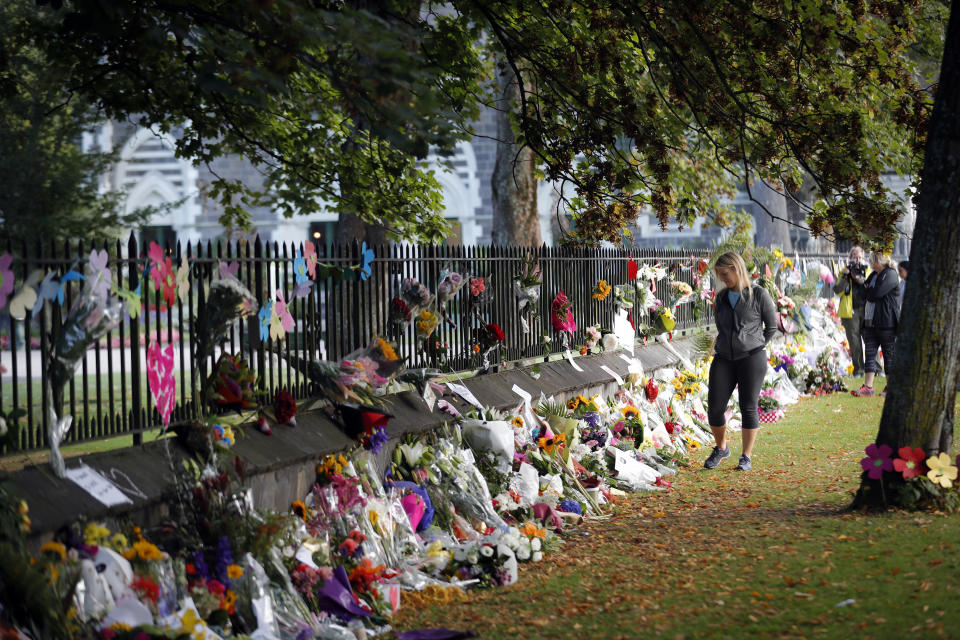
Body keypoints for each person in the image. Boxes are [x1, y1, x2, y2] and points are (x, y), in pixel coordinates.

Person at [703, 252, 779, 472]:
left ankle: (746, 456)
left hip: (752, 358)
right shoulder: (722, 297)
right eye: (719, 275)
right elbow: (721, 326)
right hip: (724, 358)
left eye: (725, 274)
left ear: (737, 269)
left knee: (748, 407)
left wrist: (754, 345)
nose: (723, 279)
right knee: (715, 408)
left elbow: (771, 327)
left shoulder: (759, 294)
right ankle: (721, 448)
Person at [852, 252, 900, 397]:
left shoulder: (890, 274)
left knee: (888, 356)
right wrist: (867, 289)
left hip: (886, 322)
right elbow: (862, 292)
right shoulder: (874, 275)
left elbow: (876, 293)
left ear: (879, 261)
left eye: (872, 261)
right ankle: (868, 387)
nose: (871, 264)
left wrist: (868, 290)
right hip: (870, 322)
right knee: (870, 354)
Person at [833, 246, 868, 377]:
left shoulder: (867, 269)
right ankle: (859, 370)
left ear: (863, 258)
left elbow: (868, 286)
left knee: (870, 340)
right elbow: (837, 290)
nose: (857, 260)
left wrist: (858, 277)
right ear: (850, 258)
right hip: (850, 311)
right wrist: (846, 277)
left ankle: (874, 368)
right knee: (854, 341)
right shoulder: (844, 271)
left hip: (866, 309)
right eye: (855, 257)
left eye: (860, 257)